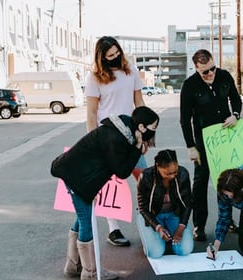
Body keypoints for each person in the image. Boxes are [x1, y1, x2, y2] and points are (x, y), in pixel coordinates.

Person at [51, 106, 159, 280]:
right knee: (86, 221)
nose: (154, 132)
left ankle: (73, 266)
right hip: (76, 176)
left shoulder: (123, 129)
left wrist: (136, 146)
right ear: (141, 127)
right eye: (153, 128)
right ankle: (91, 272)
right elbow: (122, 171)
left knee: (82, 217)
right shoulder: (116, 138)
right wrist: (138, 147)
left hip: (78, 174)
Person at [85, 35, 146, 247]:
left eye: (117, 53)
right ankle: (114, 229)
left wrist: (144, 133)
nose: (115, 57)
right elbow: (91, 113)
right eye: (110, 55)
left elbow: (139, 103)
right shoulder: (94, 78)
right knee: (110, 184)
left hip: (131, 134)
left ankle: (149, 221)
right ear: (102, 58)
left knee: (144, 178)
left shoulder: (131, 72)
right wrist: (93, 141)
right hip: (107, 136)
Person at [179, 49, 243, 241]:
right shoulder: (190, 85)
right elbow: (185, 119)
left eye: (212, 69)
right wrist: (191, 146)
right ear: (196, 69)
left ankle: (228, 220)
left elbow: (236, 100)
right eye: (205, 71)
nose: (210, 74)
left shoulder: (224, 76)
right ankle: (199, 225)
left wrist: (236, 116)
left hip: (226, 137)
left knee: (227, 180)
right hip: (203, 141)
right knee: (200, 183)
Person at [136, 149, 194, 258]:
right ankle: (153, 237)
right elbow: (143, 208)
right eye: (168, 173)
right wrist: (157, 227)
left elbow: (188, 203)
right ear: (158, 167)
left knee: (184, 250)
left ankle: (166, 236)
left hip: (173, 212)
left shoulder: (183, 174)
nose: (172, 176)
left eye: (175, 172)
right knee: (155, 253)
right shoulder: (146, 177)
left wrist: (181, 227)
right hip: (152, 214)